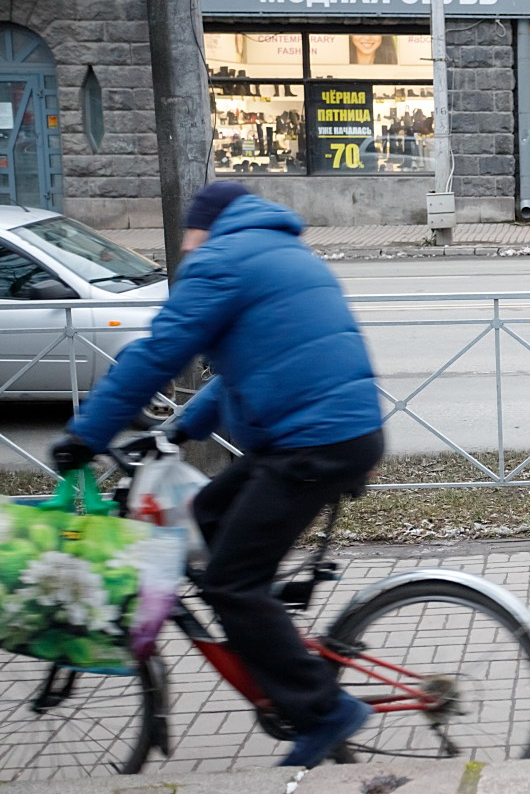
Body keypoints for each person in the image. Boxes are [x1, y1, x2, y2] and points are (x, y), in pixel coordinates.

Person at [49, 182, 385, 769]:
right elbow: (243, 369)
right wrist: (177, 431)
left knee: (232, 581)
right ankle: (268, 629)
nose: (183, 245)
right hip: (329, 434)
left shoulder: (220, 262)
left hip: (311, 445)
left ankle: (325, 709)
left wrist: (86, 436)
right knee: (203, 515)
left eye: (185, 232)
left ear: (205, 226)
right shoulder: (277, 250)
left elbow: (159, 352)